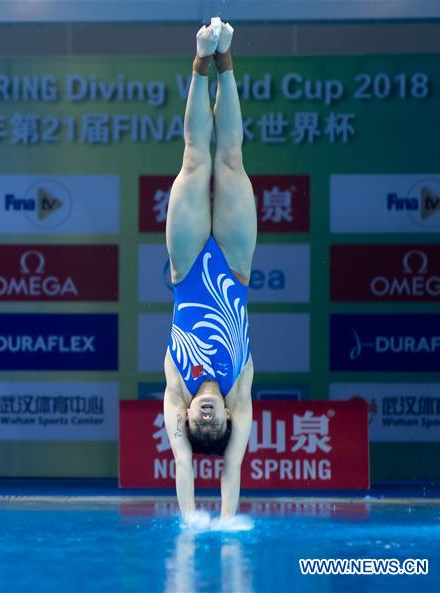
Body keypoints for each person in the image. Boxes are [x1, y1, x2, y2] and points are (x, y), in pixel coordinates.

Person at [163, 19, 255, 519]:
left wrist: (190, 520)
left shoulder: (177, 386)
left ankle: (201, 61)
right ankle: (228, 61)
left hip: (187, 264)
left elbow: (183, 464)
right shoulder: (240, 388)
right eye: (212, 426)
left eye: (197, 425)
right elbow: (231, 469)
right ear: (226, 419)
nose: (204, 419)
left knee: (196, 161)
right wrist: (224, 521)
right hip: (236, 267)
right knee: (232, 162)